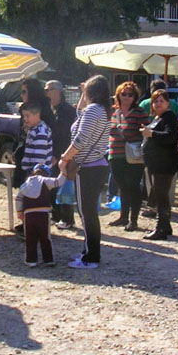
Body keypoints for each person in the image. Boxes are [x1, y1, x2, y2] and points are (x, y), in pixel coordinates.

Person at [58, 75, 111, 270]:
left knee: (86, 213)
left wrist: (65, 158)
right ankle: (88, 251)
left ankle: (91, 257)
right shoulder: (101, 110)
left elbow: (80, 140)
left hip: (89, 168)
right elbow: (79, 113)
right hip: (97, 166)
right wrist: (83, 92)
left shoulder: (93, 111)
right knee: (88, 212)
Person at [108, 81, 149, 231]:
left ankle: (134, 220)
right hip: (115, 155)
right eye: (123, 94)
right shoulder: (112, 112)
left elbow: (146, 131)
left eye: (130, 94)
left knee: (133, 187)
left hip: (133, 157)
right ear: (118, 95)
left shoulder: (139, 112)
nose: (126, 97)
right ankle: (123, 216)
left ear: (135, 97)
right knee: (122, 187)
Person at [140, 89, 178, 240]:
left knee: (161, 197)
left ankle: (160, 228)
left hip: (164, 164)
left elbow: (171, 137)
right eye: (155, 101)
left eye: (161, 101)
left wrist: (152, 134)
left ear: (168, 103)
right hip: (155, 164)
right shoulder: (157, 117)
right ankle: (166, 226)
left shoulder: (169, 117)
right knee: (158, 195)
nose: (158, 103)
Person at [16, 164, 67, 266]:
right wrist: (63, 170)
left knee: (30, 238)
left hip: (29, 214)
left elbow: (19, 199)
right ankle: (48, 260)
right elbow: (59, 181)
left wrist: (19, 212)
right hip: (43, 213)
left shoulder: (25, 184)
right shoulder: (45, 181)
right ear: (47, 174)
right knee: (45, 237)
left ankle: (31, 261)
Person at [44, 80, 77, 229]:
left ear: (58, 91)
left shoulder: (68, 110)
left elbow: (67, 135)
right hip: (52, 154)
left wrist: (62, 155)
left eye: (48, 90)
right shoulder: (50, 109)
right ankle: (56, 215)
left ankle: (67, 218)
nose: (46, 93)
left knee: (65, 186)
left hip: (65, 154)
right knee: (53, 186)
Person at [14, 78, 56, 188]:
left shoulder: (44, 112)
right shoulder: (25, 110)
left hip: (38, 166)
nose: (21, 95)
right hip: (26, 161)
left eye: (24, 92)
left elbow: (53, 136)